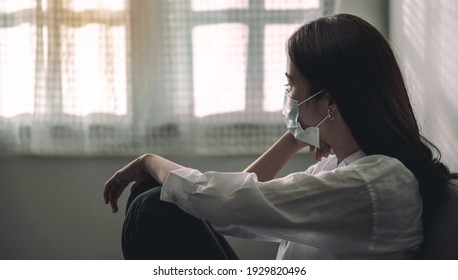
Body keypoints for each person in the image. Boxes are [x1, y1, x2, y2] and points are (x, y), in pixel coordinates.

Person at [104, 14, 457, 259]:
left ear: (330, 100)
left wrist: (149, 160)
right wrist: (294, 138)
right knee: (158, 194)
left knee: (153, 206)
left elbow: (226, 204)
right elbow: (229, 211)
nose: (288, 98)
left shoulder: (377, 182)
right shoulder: (340, 168)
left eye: (292, 86)